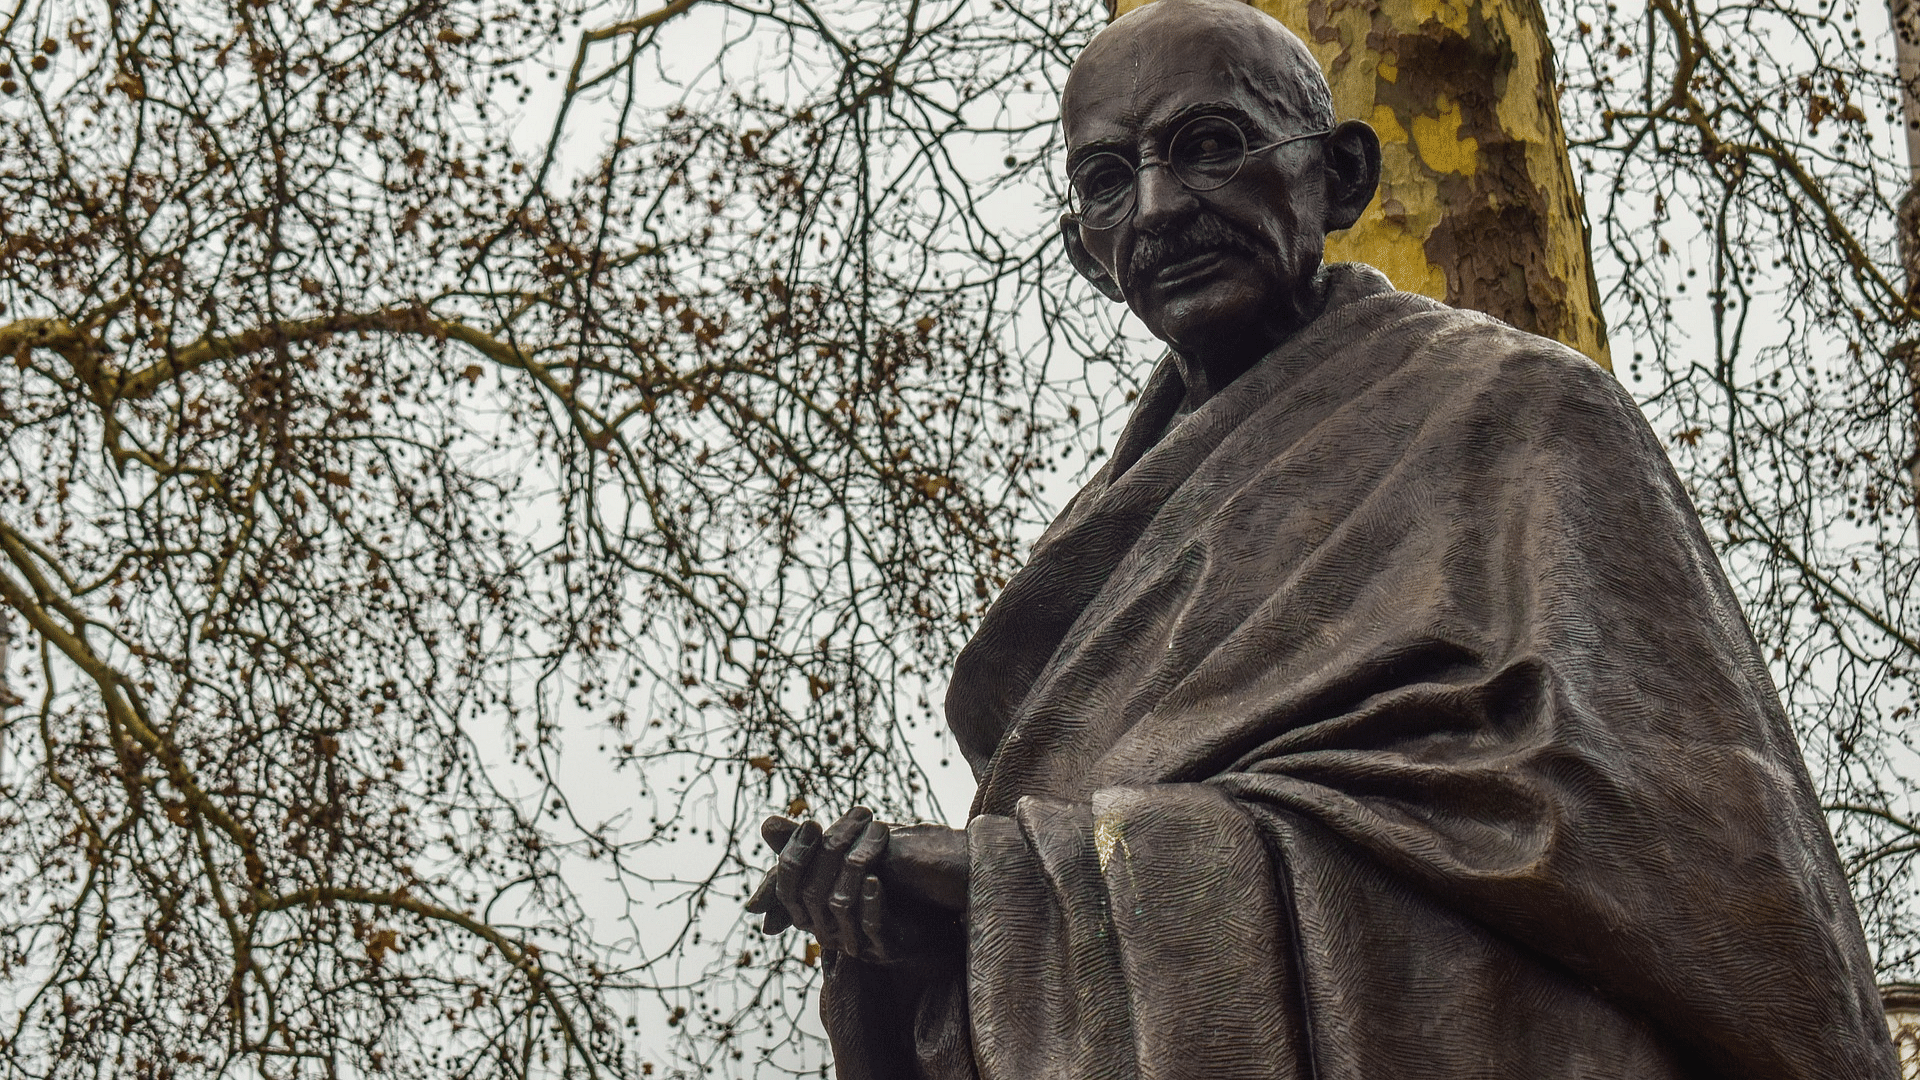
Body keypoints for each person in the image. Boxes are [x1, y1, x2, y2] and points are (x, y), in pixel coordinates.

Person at [746, 1, 1901, 1076]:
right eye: (1108, 180)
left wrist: (1015, 876)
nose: (1155, 209)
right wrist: (941, 934)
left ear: (1341, 175)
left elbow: (1665, 858)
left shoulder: (1518, 413)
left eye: (1209, 146)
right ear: (1081, 249)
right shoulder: (1103, 546)